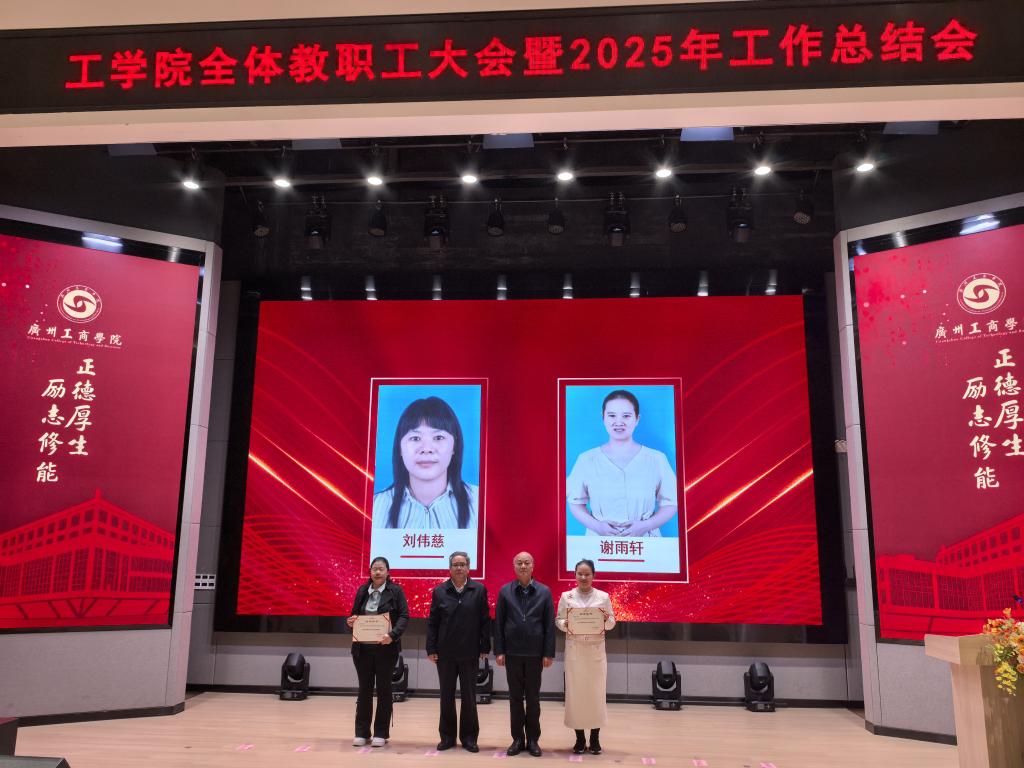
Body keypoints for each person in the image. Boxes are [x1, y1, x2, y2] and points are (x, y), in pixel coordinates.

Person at [567, 389, 678, 537]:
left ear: (637, 419)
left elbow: (671, 503)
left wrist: (646, 525)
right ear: (603, 417)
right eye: (612, 415)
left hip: (646, 542)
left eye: (626, 416)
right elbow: (575, 502)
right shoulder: (586, 460)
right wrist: (597, 526)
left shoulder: (657, 459)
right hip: (599, 542)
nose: (619, 422)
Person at [372, 396, 479, 529]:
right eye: (415, 438)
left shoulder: (480, 503)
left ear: (454, 446)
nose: (426, 449)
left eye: (438, 437)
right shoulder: (375, 507)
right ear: (400, 447)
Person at [426, 551, 491, 753]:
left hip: (470, 652)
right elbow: (433, 623)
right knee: (446, 696)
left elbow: (484, 620)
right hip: (445, 653)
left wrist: (485, 646)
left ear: (468, 568)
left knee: (469, 697)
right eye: (455, 565)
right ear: (450, 568)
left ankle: (469, 738)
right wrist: (431, 648)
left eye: (462, 564)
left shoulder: (478, 590)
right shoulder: (440, 591)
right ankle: (447, 737)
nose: (459, 568)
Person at [494, 551, 555, 757]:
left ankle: (534, 740)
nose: (523, 566)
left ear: (533, 566)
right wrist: (499, 650)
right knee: (515, 698)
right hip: (512, 653)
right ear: (514, 567)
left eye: (526, 563)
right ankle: (517, 739)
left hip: (535, 654)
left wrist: (548, 653)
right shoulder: (505, 591)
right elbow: (499, 623)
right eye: (519, 563)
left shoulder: (544, 592)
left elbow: (549, 625)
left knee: (533, 699)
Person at [346, 556, 409, 748]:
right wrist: (350, 622)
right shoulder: (362, 590)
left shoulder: (395, 591)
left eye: (381, 569)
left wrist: (393, 634)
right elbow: (354, 615)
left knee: (384, 689)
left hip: (386, 649)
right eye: (374, 568)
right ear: (370, 571)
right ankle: (362, 732)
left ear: (388, 572)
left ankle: (381, 732)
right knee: (364, 689)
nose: (378, 572)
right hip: (362, 649)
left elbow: (404, 616)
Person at [555, 559, 616, 755]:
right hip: (575, 653)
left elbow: (612, 622)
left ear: (593, 575)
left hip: (595, 654)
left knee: (596, 695)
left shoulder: (603, 597)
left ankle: (595, 738)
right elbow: (558, 620)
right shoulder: (567, 596)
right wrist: (566, 624)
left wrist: (605, 620)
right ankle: (580, 739)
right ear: (575, 575)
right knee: (576, 696)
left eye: (587, 574)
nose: (583, 577)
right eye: (580, 574)